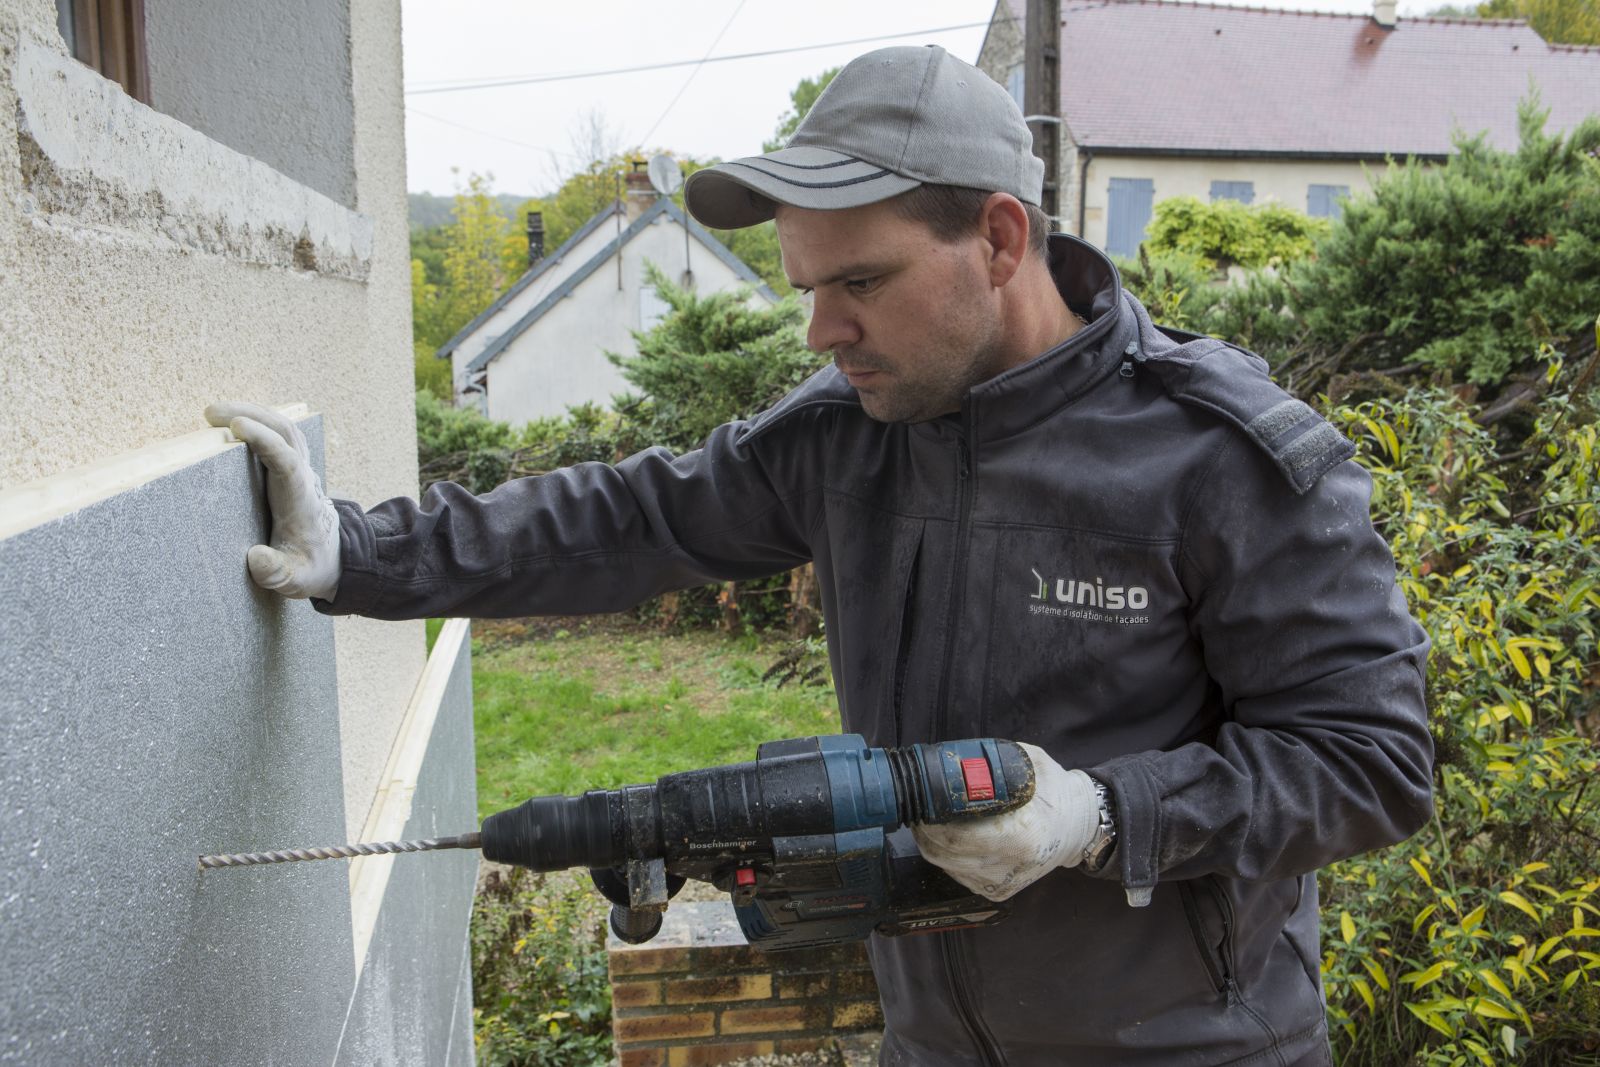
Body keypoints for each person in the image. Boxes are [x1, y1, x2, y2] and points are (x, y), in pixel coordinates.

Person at [206, 45, 1431, 1067]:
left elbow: (1372, 760)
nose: (819, 328)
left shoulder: (1220, 456)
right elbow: (633, 517)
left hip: (1196, 1047)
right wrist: (361, 550)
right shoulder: (853, 431)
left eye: (860, 281)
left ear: (1000, 239)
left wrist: (1101, 815)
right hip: (931, 1043)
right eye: (805, 284)